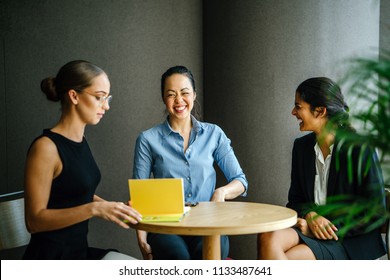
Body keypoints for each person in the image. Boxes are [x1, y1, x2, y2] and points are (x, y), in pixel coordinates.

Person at [23, 60, 142, 260]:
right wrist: (95, 209)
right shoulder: (45, 148)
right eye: (99, 97)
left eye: (107, 98)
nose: (106, 106)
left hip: (79, 253)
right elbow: (34, 221)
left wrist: (113, 207)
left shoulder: (81, 141)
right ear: (74, 96)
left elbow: (75, 192)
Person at [257, 77, 387, 260]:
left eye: (298, 106)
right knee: (267, 237)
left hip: (350, 241)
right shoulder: (301, 147)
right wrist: (310, 215)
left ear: (320, 111)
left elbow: (376, 212)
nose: (293, 112)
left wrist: (325, 227)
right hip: (313, 231)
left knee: (291, 259)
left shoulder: (359, 149)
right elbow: (295, 201)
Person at [132, 65, 248, 260]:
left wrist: (222, 192)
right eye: (171, 94)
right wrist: (141, 239)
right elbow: (139, 197)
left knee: (206, 254)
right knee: (179, 258)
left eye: (185, 93)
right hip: (165, 226)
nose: (179, 100)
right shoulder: (147, 139)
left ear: (194, 95)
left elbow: (240, 181)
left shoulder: (214, 134)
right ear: (163, 98)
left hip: (208, 223)